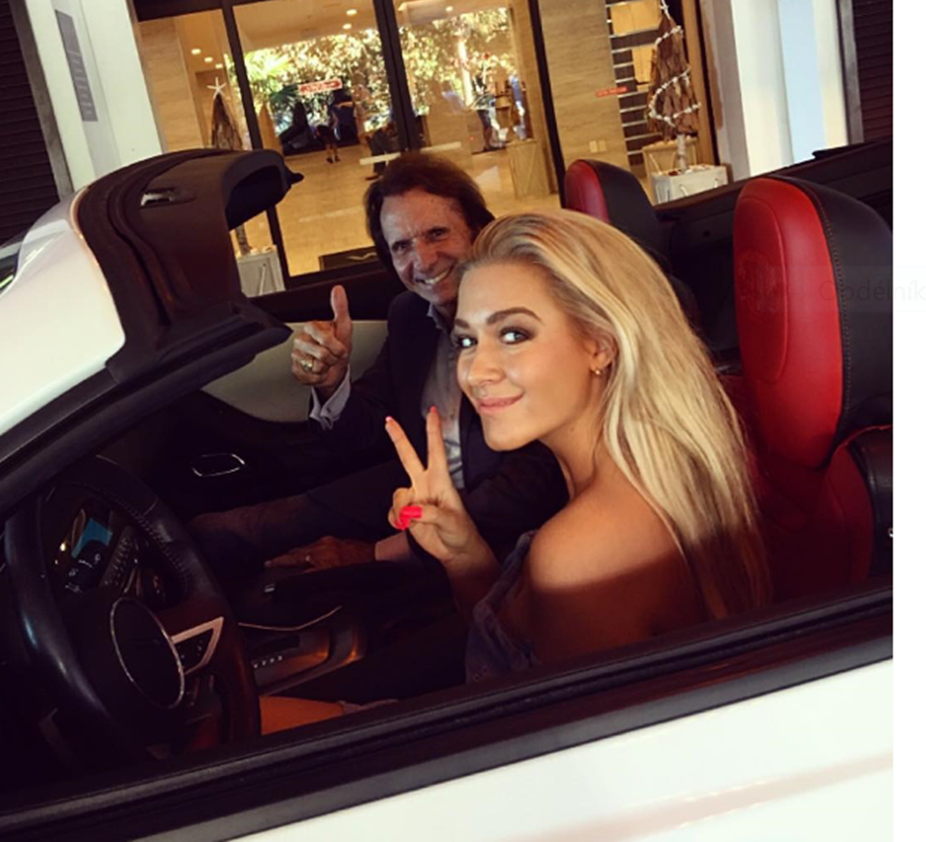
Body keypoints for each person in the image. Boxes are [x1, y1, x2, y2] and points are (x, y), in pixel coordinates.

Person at [384, 210, 771, 678]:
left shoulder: (582, 549)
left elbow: (533, 713)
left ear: (599, 344)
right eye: (466, 341)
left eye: (513, 334)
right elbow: (515, 659)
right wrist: (464, 555)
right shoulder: (645, 477)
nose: (475, 371)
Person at [190, 154, 567, 582]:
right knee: (220, 533)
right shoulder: (411, 315)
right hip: (411, 493)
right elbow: (368, 432)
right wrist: (332, 383)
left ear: (478, 231)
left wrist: (377, 553)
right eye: (402, 246)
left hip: (486, 528)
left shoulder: (520, 320)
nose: (423, 261)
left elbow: (535, 485)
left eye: (437, 233)